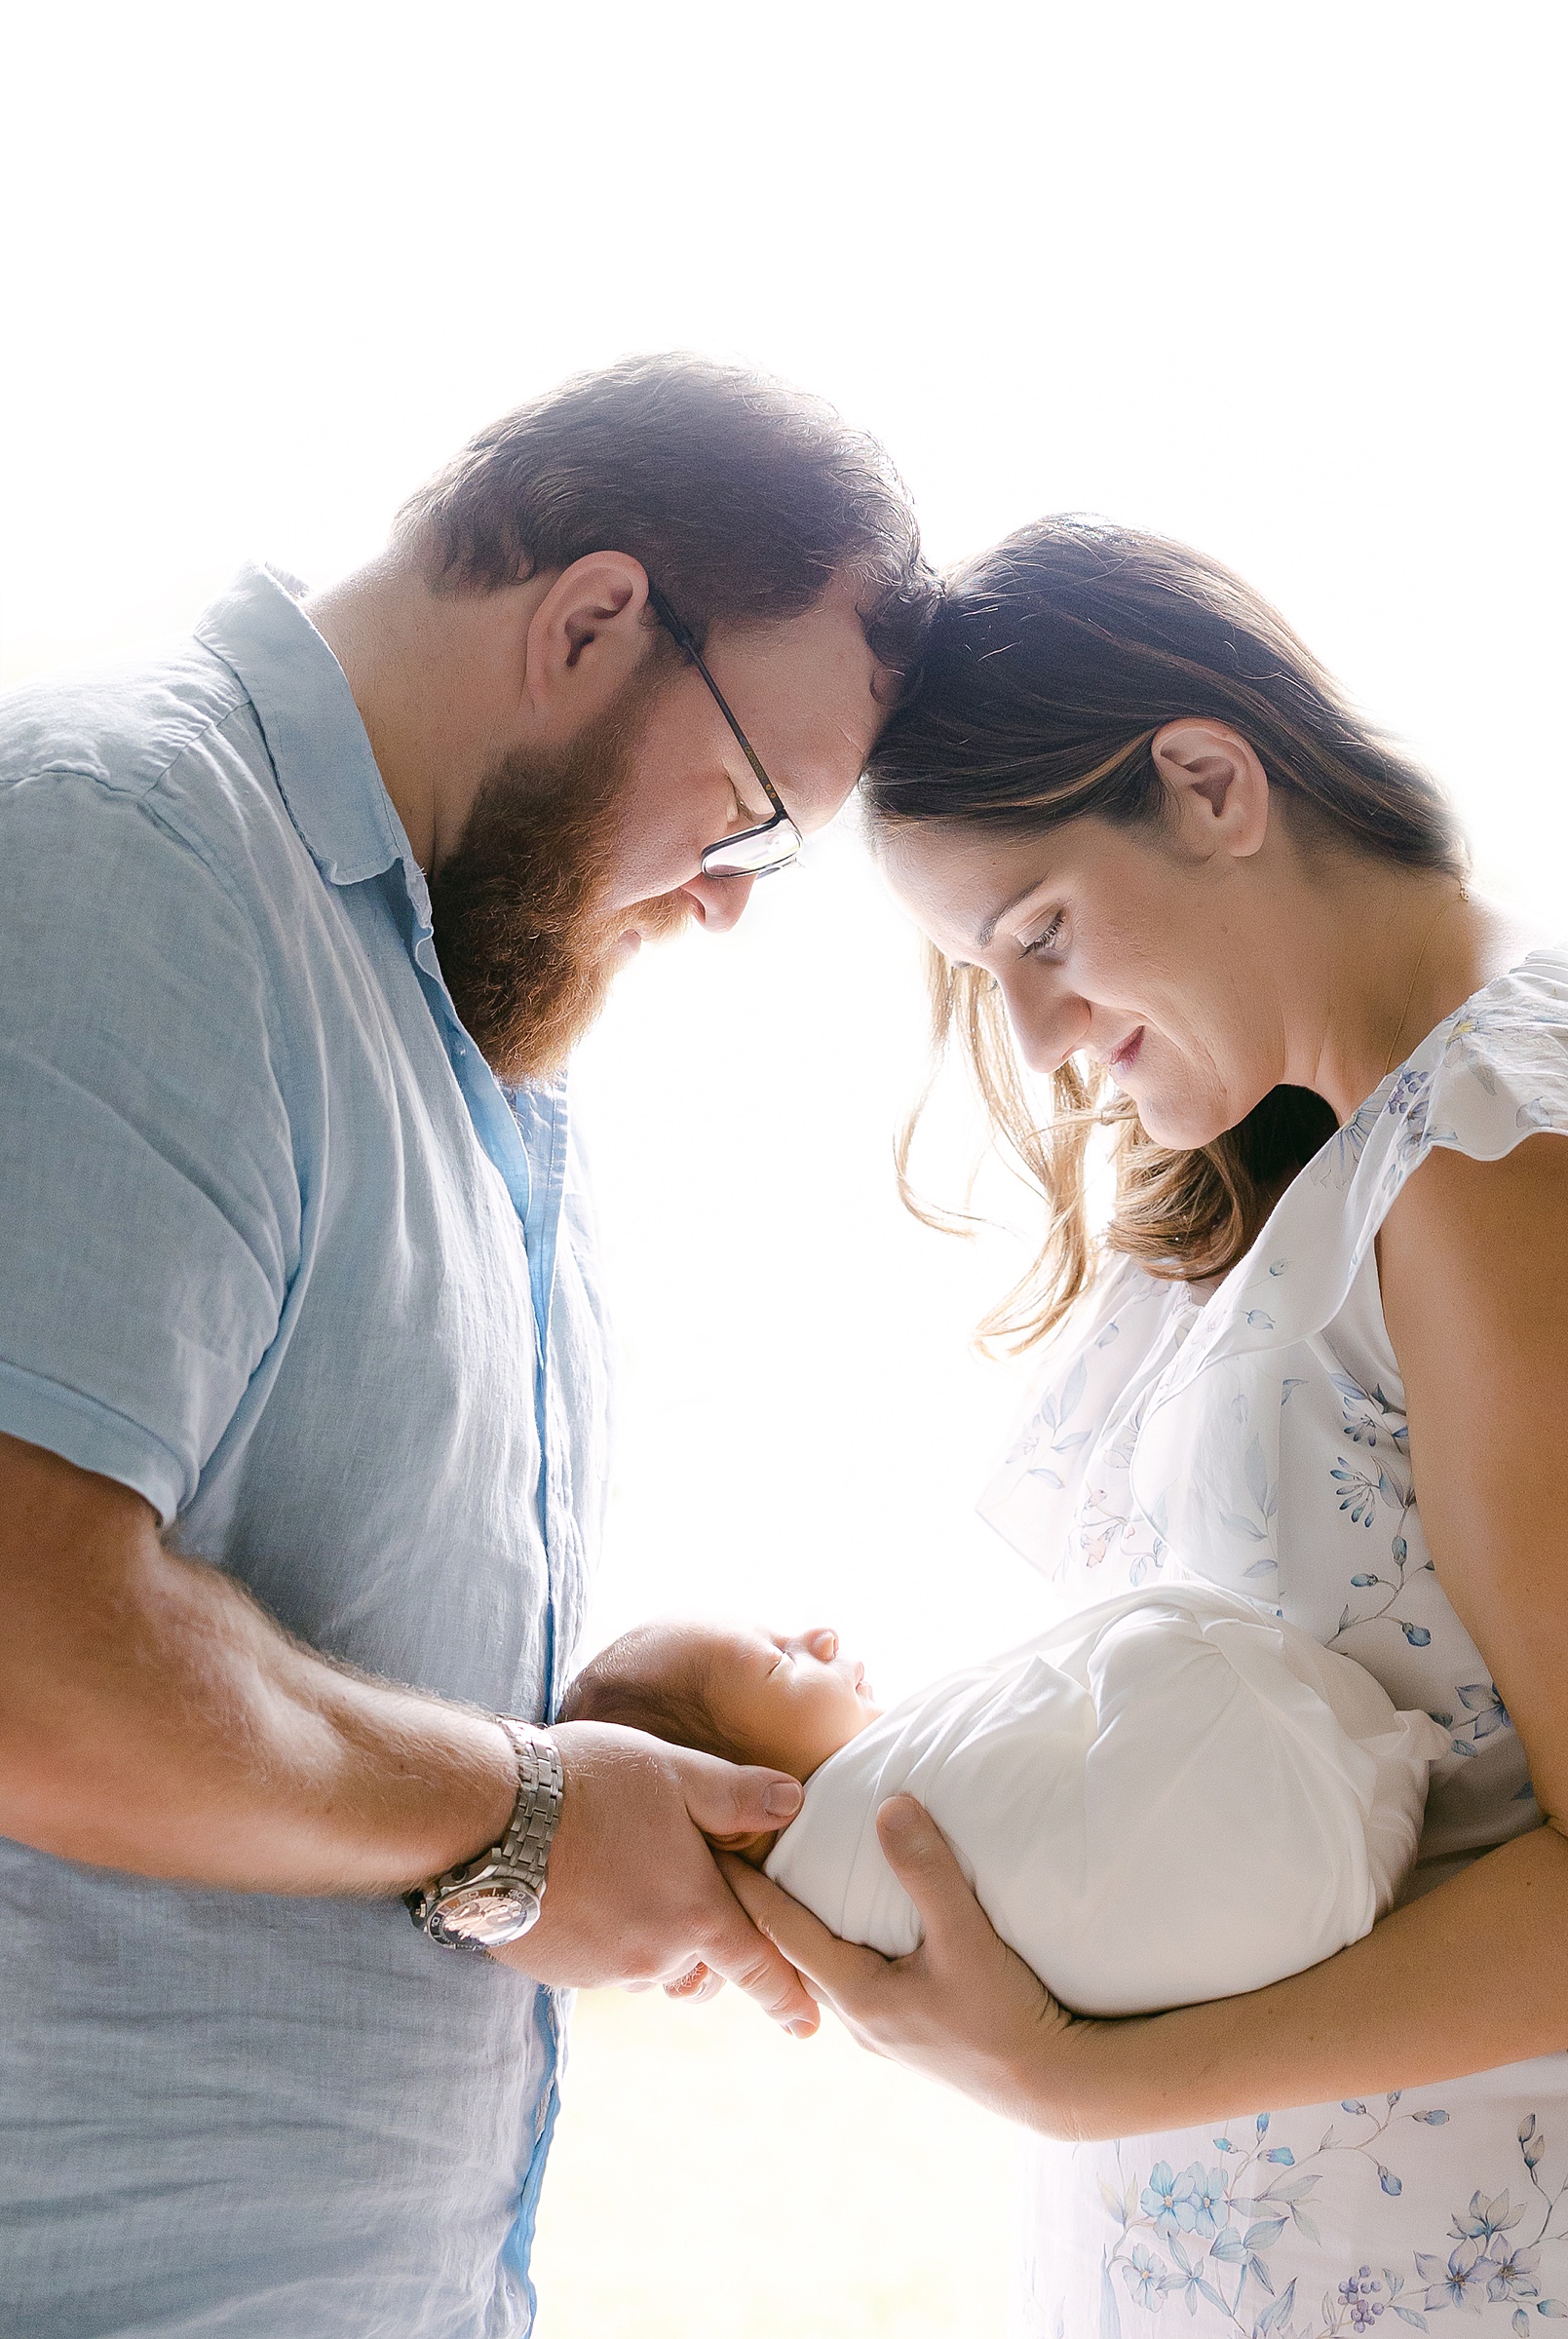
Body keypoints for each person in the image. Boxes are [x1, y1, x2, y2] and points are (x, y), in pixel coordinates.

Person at [724, 518, 1568, 2335]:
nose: (1035, 1034)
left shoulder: (1505, 1151)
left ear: (1209, 785)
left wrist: (1072, 2080)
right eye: (988, 974)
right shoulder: (1334, 1166)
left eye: (1039, 933)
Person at [0, 354, 934, 2339]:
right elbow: (23, 1653)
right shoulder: (124, 860)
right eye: (755, 823)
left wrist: (603, 1721)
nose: (729, 906)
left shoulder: (465, 1036)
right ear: (593, 621)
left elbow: (289, 1657)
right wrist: (520, 1813)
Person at [567, 1595, 1444, 2017]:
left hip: (1329, 1900)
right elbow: (1035, 1714)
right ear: (739, 1811)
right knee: (1147, 1643)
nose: (821, 1636)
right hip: (1305, 1835)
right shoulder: (860, 1834)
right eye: (777, 1663)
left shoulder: (846, 1935)